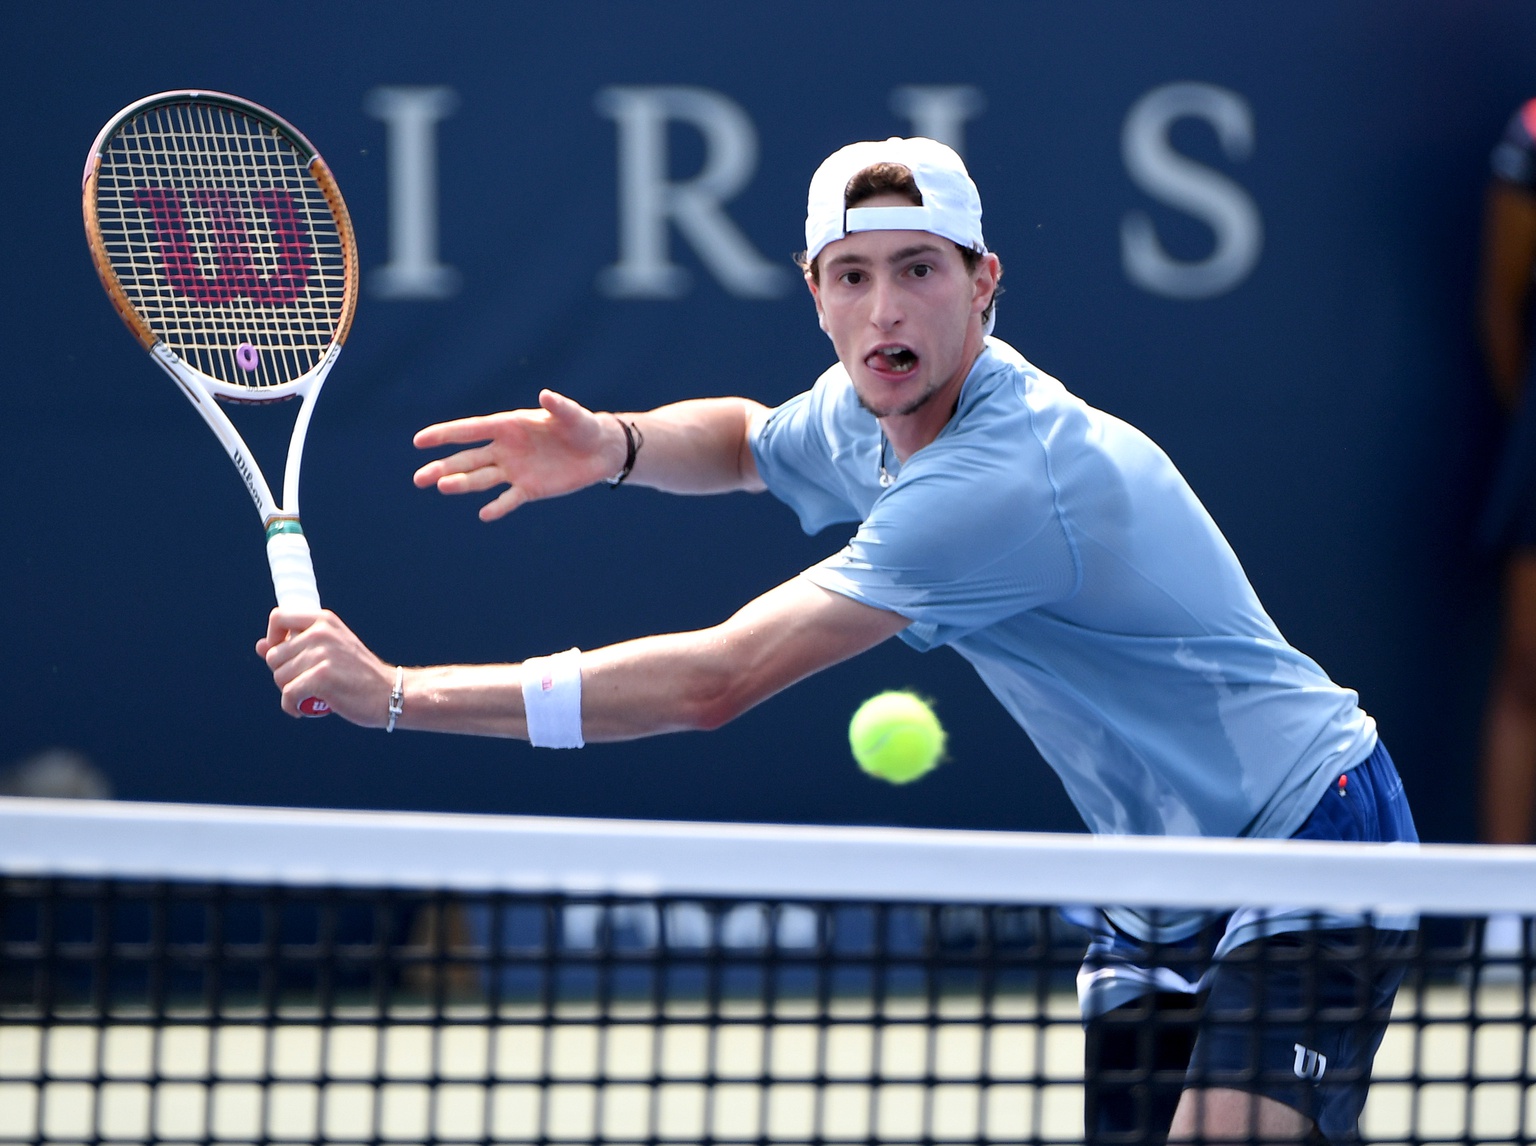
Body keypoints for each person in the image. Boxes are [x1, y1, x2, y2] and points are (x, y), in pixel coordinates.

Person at [259, 137, 1416, 1145]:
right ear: (813, 291)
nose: (886, 311)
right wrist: (615, 443)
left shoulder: (1000, 479)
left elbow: (715, 682)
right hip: (1156, 874)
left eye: (920, 271)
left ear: (983, 283)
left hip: (1308, 832)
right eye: (852, 278)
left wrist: (402, 693)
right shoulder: (874, 408)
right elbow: (751, 440)